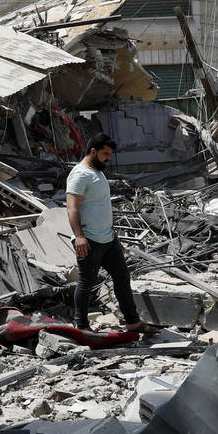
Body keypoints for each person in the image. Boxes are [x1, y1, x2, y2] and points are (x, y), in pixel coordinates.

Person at [66, 133, 149, 333]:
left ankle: (133, 321)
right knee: (86, 282)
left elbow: (100, 206)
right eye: (104, 153)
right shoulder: (80, 174)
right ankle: (82, 326)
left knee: (122, 277)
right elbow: (72, 208)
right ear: (93, 151)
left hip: (108, 239)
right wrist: (79, 236)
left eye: (109, 154)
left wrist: (113, 233)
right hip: (89, 240)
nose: (108, 158)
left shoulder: (98, 173)